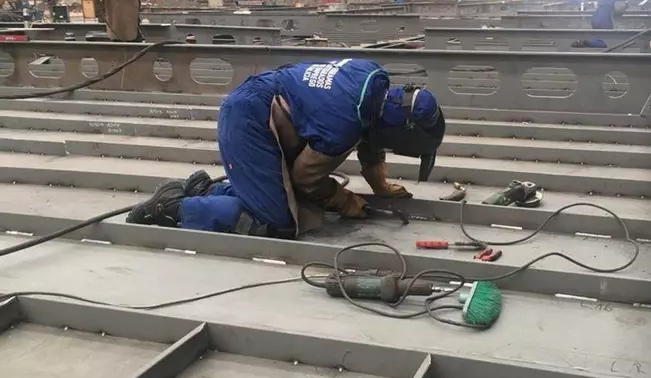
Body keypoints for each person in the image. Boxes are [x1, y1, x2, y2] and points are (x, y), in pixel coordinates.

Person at [127, 59, 445, 239]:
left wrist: (381, 186)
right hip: (250, 120)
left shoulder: (372, 83)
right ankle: (176, 208)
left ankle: (206, 190)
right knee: (280, 220)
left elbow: (371, 137)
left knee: (290, 200)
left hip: (259, 100)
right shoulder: (342, 125)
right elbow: (306, 178)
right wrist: (344, 200)